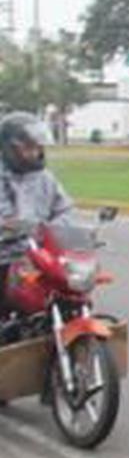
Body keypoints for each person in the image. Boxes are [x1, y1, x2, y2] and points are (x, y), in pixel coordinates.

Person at [0, 112, 73, 315]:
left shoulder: (45, 179)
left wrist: (58, 228)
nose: (35, 152)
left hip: (40, 256)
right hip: (5, 257)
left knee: (69, 291)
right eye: (28, 147)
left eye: (38, 147)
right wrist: (7, 227)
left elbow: (64, 209)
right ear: (10, 148)